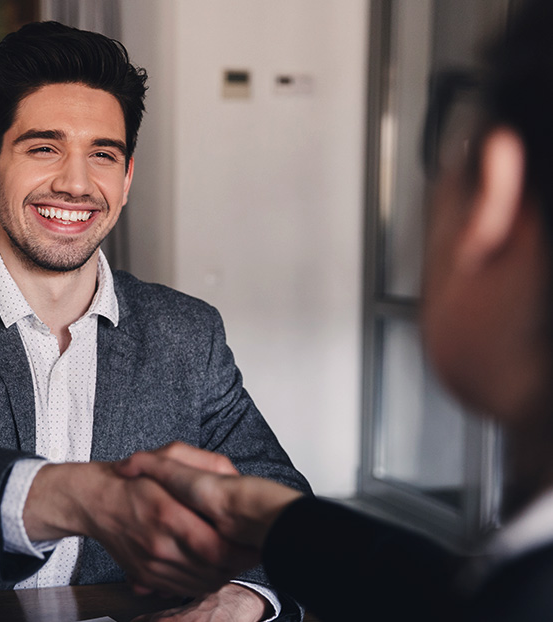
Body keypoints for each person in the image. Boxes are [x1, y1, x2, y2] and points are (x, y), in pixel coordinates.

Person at [0, 21, 310, 621]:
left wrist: (242, 597)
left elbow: (277, 498)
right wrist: (86, 497)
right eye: (44, 148)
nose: (76, 183)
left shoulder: (188, 332)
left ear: (126, 180)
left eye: (103, 155)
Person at [117, 1, 553, 620]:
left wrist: (250, 587)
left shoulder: (187, 327)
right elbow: (453, 599)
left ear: (494, 196)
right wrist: (270, 518)